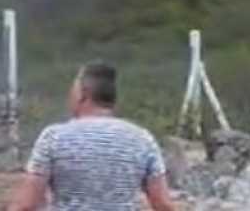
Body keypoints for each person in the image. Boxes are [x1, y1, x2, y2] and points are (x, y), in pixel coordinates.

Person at [9, 63, 175, 211]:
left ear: (82, 94)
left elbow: (27, 204)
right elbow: (163, 204)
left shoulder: (53, 138)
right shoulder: (142, 139)